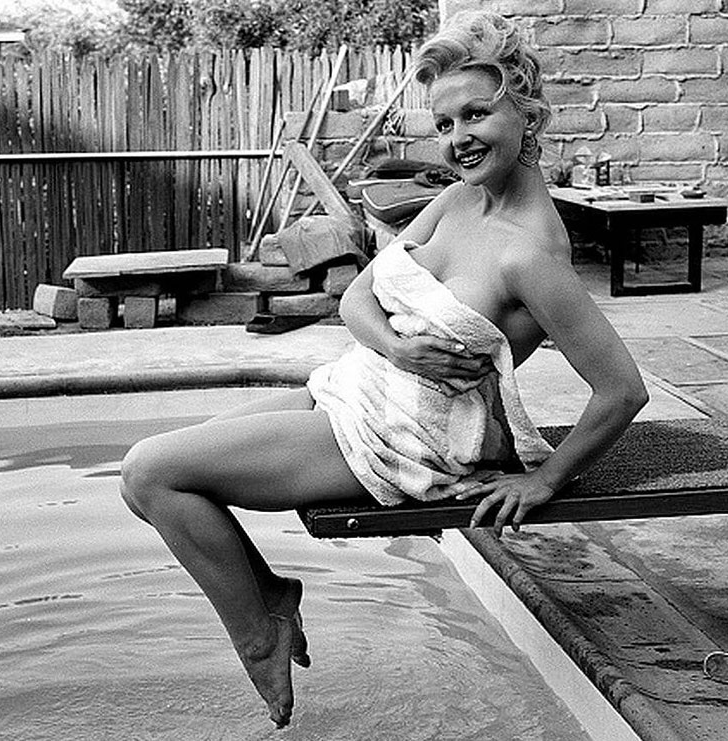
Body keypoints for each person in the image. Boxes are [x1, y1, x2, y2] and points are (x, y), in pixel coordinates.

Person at [119, 10, 648, 729]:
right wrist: (395, 348)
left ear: (528, 114)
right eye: (445, 123)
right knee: (148, 487)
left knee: (152, 470)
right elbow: (359, 296)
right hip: (358, 388)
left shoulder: (530, 254)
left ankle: (258, 633)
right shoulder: (457, 200)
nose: (458, 138)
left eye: (477, 115)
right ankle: (268, 596)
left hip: (405, 439)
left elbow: (622, 390)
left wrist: (545, 479)